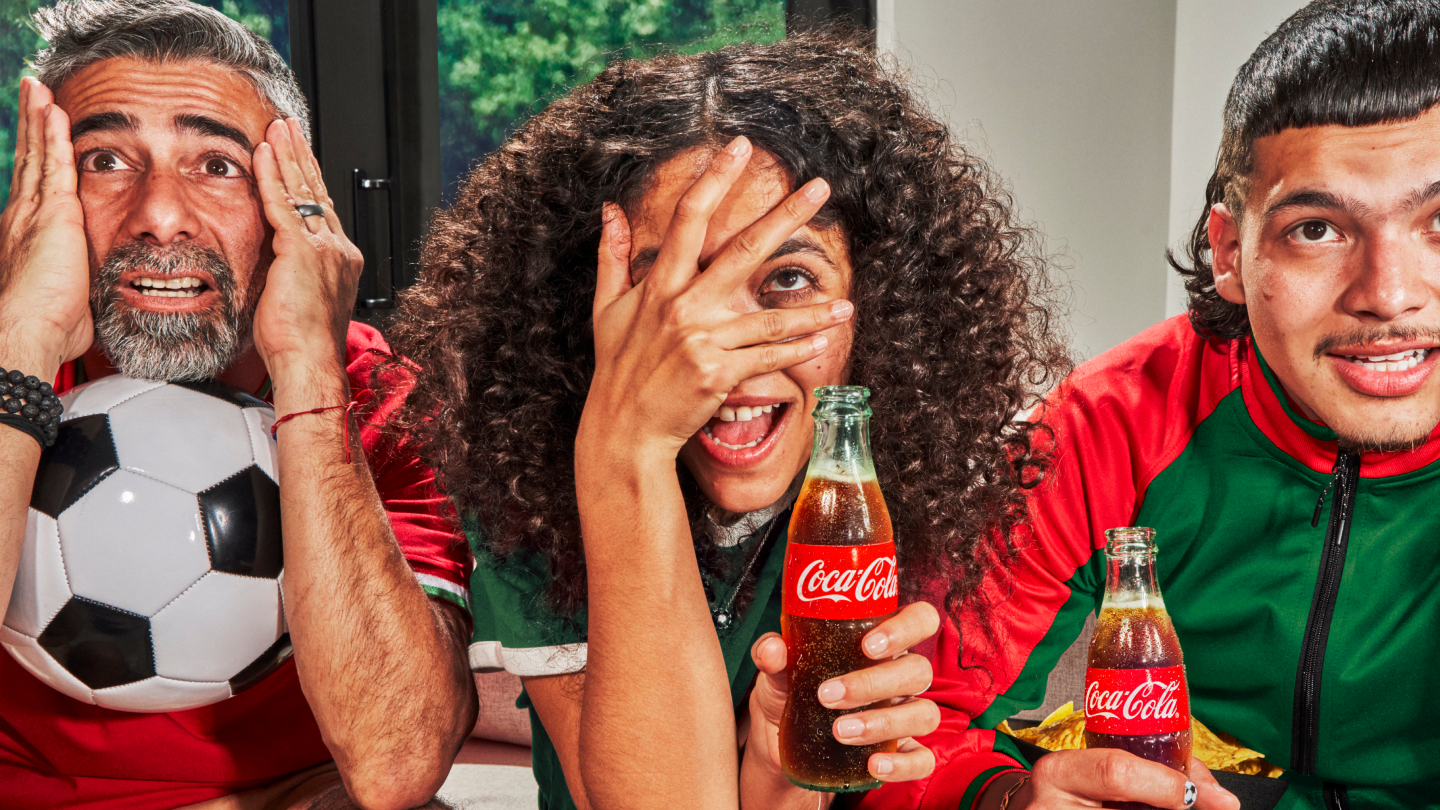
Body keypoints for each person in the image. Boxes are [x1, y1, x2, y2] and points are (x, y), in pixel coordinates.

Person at [384, 28, 1070, 810]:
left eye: (787, 277)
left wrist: (781, 773)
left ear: (876, 305)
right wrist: (627, 443)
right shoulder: (527, 478)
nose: (717, 351)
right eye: (671, 289)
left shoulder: (903, 483)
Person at [865, 1, 1440, 809]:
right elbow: (904, 722)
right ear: (1231, 254)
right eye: (1317, 229)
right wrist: (1003, 800)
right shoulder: (1114, 418)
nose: (1388, 296)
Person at [0, 2, 475, 808]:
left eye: (215, 165)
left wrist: (308, 370)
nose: (158, 217)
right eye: (106, 160)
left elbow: (397, 766)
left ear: (291, 203)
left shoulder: (382, 396)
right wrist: (23, 346)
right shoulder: (11, 349)